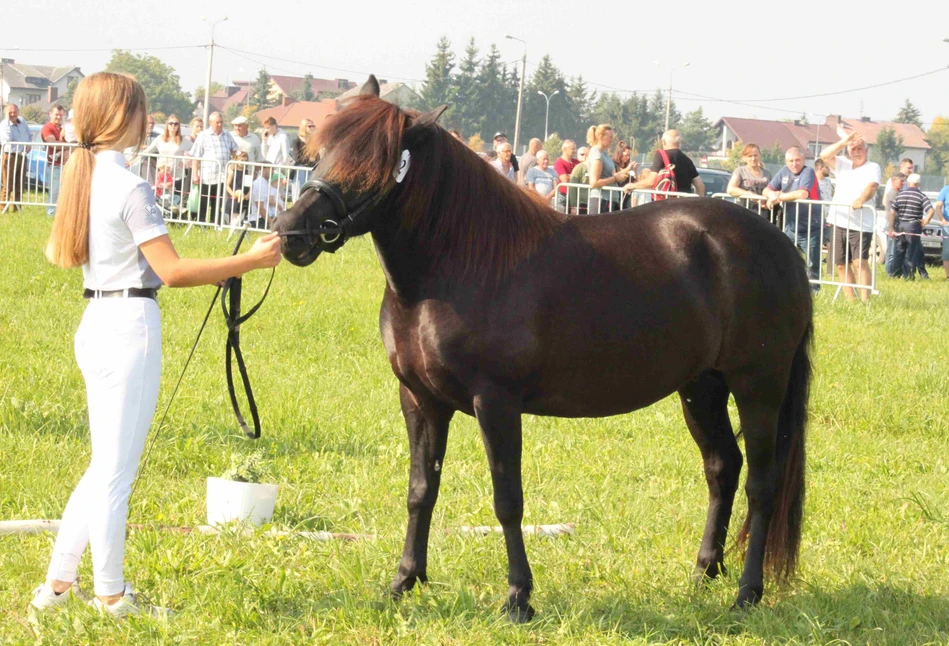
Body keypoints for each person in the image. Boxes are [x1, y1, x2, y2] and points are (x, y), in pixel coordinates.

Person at [33, 71, 281, 619]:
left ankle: (57, 584)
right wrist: (250, 261)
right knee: (117, 474)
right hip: (129, 327)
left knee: (103, 467)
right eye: (142, 112)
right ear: (125, 118)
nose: (148, 122)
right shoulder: (130, 185)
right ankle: (112, 595)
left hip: (96, 320)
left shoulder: (86, 177)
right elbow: (170, 271)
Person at [820, 130, 881, 302]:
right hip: (839, 220)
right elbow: (824, 156)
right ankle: (850, 301)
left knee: (859, 263)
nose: (856, 152)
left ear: (866, 150)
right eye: (853, 149)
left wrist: (861, 199)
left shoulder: (873, 167)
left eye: (859, 148)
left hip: (861, 223)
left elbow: (872, 186)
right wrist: (844, 141)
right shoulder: (842, 164)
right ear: (848, 151)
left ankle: (865, 300)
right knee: (840, 264)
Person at [762, 147, 821, 283]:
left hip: (810, 228)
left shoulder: (808, 172)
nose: (794, 164)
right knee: (787, 260)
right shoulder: (783, 172)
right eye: (791, 161)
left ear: (803, 160)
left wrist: (779, 197)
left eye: (797, 160)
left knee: (812, 264)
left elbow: (802, 194)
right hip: (790, 226)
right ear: (786, 162)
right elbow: (767, 190)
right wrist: (772, 196)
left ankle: (814, 290)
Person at [189, 111, 237, 223]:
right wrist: (195, 174)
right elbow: (196, 156)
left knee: (218, 203)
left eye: (221, 122)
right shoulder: (203, 136)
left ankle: (215, 223)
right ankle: (200, 224)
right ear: (211, 123)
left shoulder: (228, 135)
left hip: (222, 176)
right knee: (204, 202)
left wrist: (234, 160)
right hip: (207, 176)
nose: (220, 125)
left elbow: (234, 150)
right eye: (217, 122)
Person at [628, 129, 705, 197]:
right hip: (684, 205)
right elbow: (700, 186)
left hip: (666, 206)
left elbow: (651, 181)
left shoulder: (660, 155)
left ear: (663, 142)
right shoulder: (687, 160)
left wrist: (632, 186)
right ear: (679, 143)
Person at [887, 173, 934, 279]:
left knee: (899, 250)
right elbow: (931, 210)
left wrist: (891, 228)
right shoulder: (921, 196)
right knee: (911, 251)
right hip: (913, 226)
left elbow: (892, 212)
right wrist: (925, 221)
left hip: (901, 225)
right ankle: (908, 275)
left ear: (908, 183)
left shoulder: (900, 195)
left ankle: (895, 274)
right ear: (918, 184)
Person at [141, 115, 192, 207]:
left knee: (175, 199)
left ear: (178, 126)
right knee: (162, 199)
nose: (173, 125)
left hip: (177, 175)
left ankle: (176, 216)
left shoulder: (183, 140)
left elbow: (195, 149)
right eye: (171, 123)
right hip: (162, 175)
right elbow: (146, 152)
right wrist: (131, 161)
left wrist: (187, 162)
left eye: (176, 124)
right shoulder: (160, 139)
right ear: (167, 125)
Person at [586, 124, 630, 214]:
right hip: (601, 200)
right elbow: (594, 182)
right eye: (610, 137)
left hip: (608, 199)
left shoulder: (603, 153)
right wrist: (615, 178)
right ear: (601, 137)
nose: (612, 140)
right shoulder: (596, 154)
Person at [0, 103, 32, 213]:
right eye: (10, 112)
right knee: (7, 184)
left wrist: (28, 145)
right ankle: (3, 208)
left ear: (18, 112)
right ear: (6, 114)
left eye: (15, 112)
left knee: (20, 184)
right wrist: (9, 121)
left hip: (22, 156)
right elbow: (7, 139)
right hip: (10, 156)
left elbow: (29, 135)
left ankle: (17, 209)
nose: (13, 114)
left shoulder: (22, 121)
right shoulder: (4, 124)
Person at [42, 105, 67, 215]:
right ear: (50, 114)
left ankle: (61, 213)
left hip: (66, 164)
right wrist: (69, 145)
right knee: (54, 190)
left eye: (61, 115)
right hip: (54, 165)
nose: (58, 117)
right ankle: (51, 213)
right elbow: (51, 143)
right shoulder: (47, 128)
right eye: (56, 114)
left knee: (64, 191)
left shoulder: (63, 128)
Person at [290, 118, 319, 201]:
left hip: (311, 170)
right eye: (310, 126)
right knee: (298, 193)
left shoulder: (314, 142)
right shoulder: (296, 141)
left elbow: (317, 158)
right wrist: (310, 159)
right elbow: (297, 157)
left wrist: (311, 160)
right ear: (304, 127)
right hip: (300, 170)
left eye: (313, 126)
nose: (312, 128)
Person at [224, 151, 252, 225]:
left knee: (242, 218)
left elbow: (250, 187)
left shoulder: (247, 172)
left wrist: (248, 195)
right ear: (236, 160)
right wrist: (233, 194)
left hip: (245, 198)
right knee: (234, 219)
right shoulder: (233, 172)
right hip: (235, 199)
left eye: (245, 161)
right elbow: (227, 186)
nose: (243, 163)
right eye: (241, 160)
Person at [554, 139, 578, 211]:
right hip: (563, 195)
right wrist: (576, 175)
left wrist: (570, 175)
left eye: (575, 148)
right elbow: (564, 179)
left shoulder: (576, 162)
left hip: (574, 195)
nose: (574, 151)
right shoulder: (559, 162)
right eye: (572, 149)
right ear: (564, 149)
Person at [932, 182, 949, 279]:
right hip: (948, 226)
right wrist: (943, 220)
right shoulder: (946, 189)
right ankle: (948, 276)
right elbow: (938, 206)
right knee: (947, 252)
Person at [567, 146, 590, 214]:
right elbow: (572, 187)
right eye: (581, 154)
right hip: (582, 203)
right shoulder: (578, 168)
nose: (583, 156)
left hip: (593, 202)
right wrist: (574, 205)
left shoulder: (597, 167)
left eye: (584, 154)